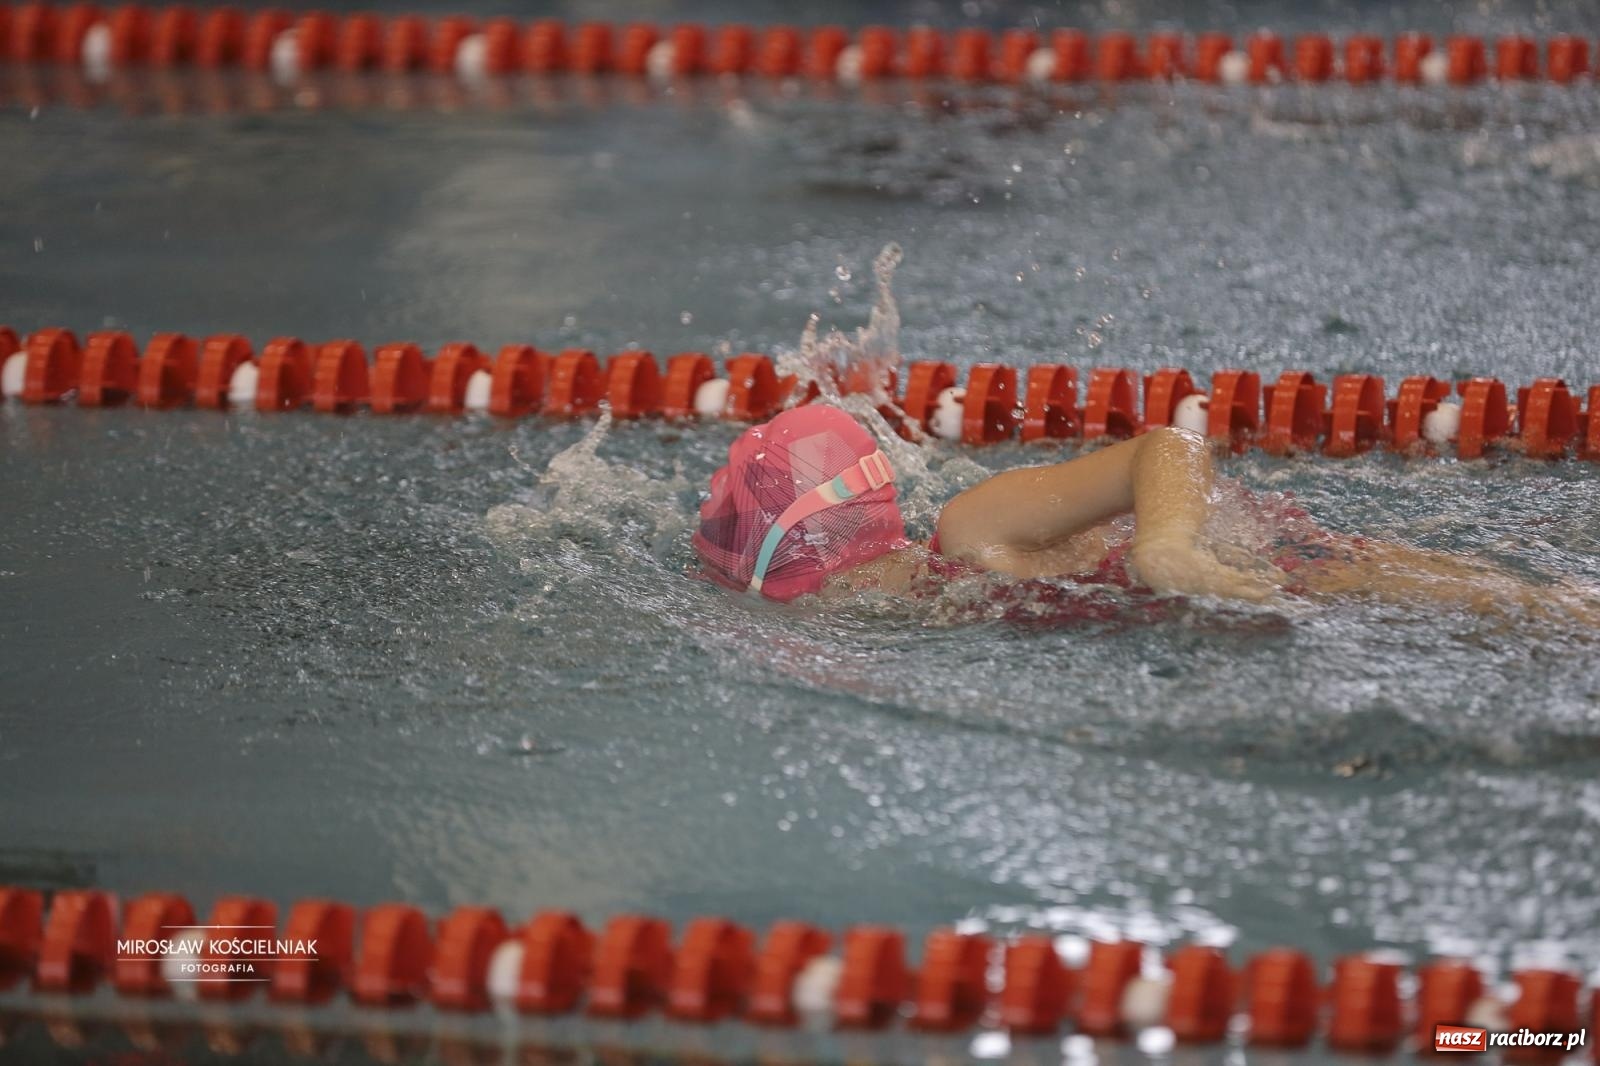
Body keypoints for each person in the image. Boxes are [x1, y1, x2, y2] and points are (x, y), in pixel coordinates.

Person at [692, 404, 1599, 624]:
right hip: (1265, 599)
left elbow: (1168, 445)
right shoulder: (918, 606)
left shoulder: (969, 532)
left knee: (1559, 622)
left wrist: (1165, 546)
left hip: (1293, 565)